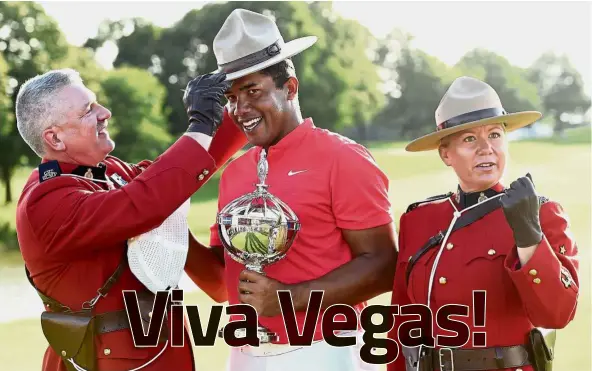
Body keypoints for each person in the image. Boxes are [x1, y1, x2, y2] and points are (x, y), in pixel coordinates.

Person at [202, 9, 397, 371]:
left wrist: (290, 299)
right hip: (244, 356)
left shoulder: (343, 157)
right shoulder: (235, 172)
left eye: (252, 91)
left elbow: (384, 265)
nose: (240, 109)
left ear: (289, 87)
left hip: (325, 350)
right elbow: (224, 284)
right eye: (231, 97)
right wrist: (166, 230)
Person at [15, 68, 246, 371]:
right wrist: (200, 124)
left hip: (159, 351)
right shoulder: (45, 201)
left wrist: (240, 100)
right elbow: (146, 201)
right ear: (55, 138)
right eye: (88, 110)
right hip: (108, 361)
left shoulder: (108, 171)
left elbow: (171, 178)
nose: (104, 113)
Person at [387, 76, 579, 371]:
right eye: (469, 139)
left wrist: (529, 236)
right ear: (445, 154)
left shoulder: (542, 214)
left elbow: (558, 314)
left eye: (495, 135)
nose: (485, 148)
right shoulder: (418, 220)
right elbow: (404, 322)